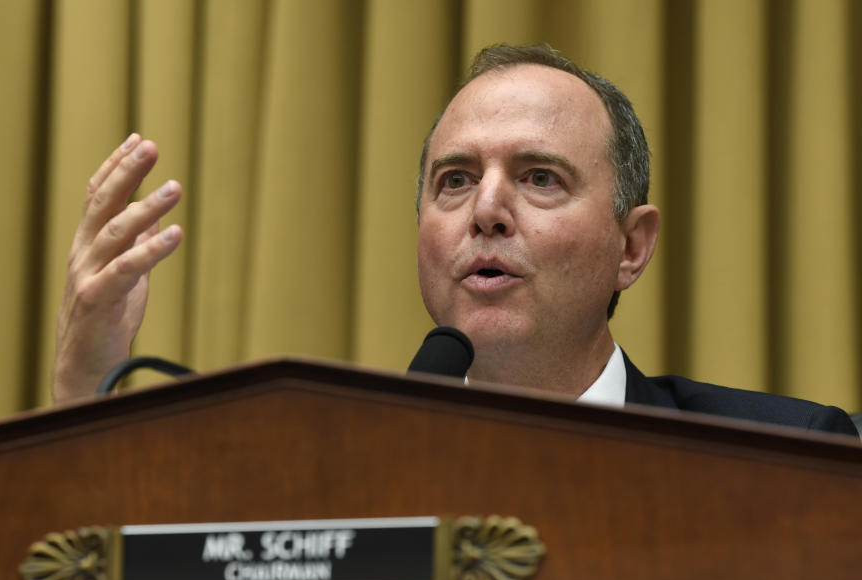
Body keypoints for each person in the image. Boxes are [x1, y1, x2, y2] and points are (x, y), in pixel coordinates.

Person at [52, 43, 857, 436]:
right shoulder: (325, 477)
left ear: (632, 246)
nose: (488, 210)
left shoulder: (777, 453)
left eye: (541, 177)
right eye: (456, 180)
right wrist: (86, 389)